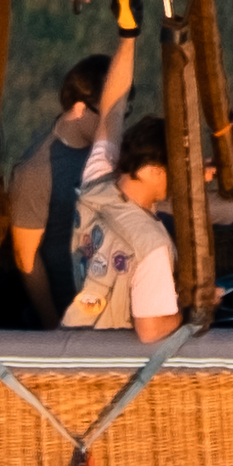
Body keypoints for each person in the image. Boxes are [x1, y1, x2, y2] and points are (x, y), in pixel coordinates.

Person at [56, 25, 180, 343]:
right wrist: (193, 310)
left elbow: (111, 107)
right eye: (175, 171)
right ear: (154, 171)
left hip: (72, 338)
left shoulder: (97, 183)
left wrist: (128, 37)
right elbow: (151, 330)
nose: (181, 180)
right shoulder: (151, 249)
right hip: (111, 372)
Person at [0, 51, 107, 320]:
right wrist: (53, 326)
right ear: (80, 108)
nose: (116, 123)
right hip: (69, 306)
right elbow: (26, 257)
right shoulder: (37, 170)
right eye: (109, 113)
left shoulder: (105, 147)